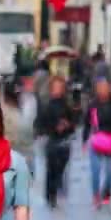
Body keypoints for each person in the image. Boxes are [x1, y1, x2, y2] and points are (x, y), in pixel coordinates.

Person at [82, 79, 111, 208]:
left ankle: (106, 192)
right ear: (97, 90)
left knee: (110, 172)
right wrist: (85, 140)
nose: (103, 90)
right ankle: (96, 195)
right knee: (95, 171)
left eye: (105, 87)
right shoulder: (93, 105)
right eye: (100, 88)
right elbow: (87, 123)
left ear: (109, 89)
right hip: (96, 141)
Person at [35, 76, 75, 209]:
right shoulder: (46, 104)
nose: (58, 90)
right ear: (51, 89)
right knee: (51, 167)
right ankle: (50, 195)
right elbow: (40, 123)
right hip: (51, 139)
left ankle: (55, 188)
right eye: (55, 87)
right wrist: (53, 127)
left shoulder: (67, 104)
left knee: (61, 167)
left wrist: (67, 125)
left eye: (60, 87)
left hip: (64, 141)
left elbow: (74, 122)